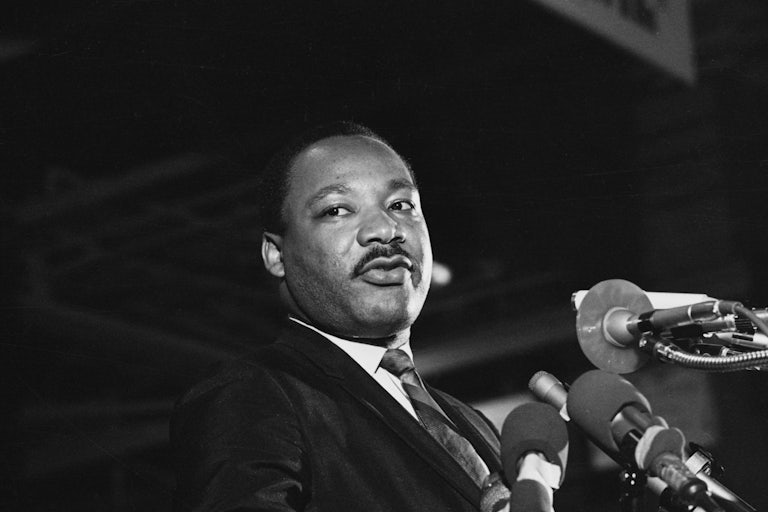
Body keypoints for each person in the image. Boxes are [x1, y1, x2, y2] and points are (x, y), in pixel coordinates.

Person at [170, 122, 503, 511]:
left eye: (400, 205)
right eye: (336, 210)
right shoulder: (253, 392)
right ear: (277, 255)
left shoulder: (475, 425)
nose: (385, 229)